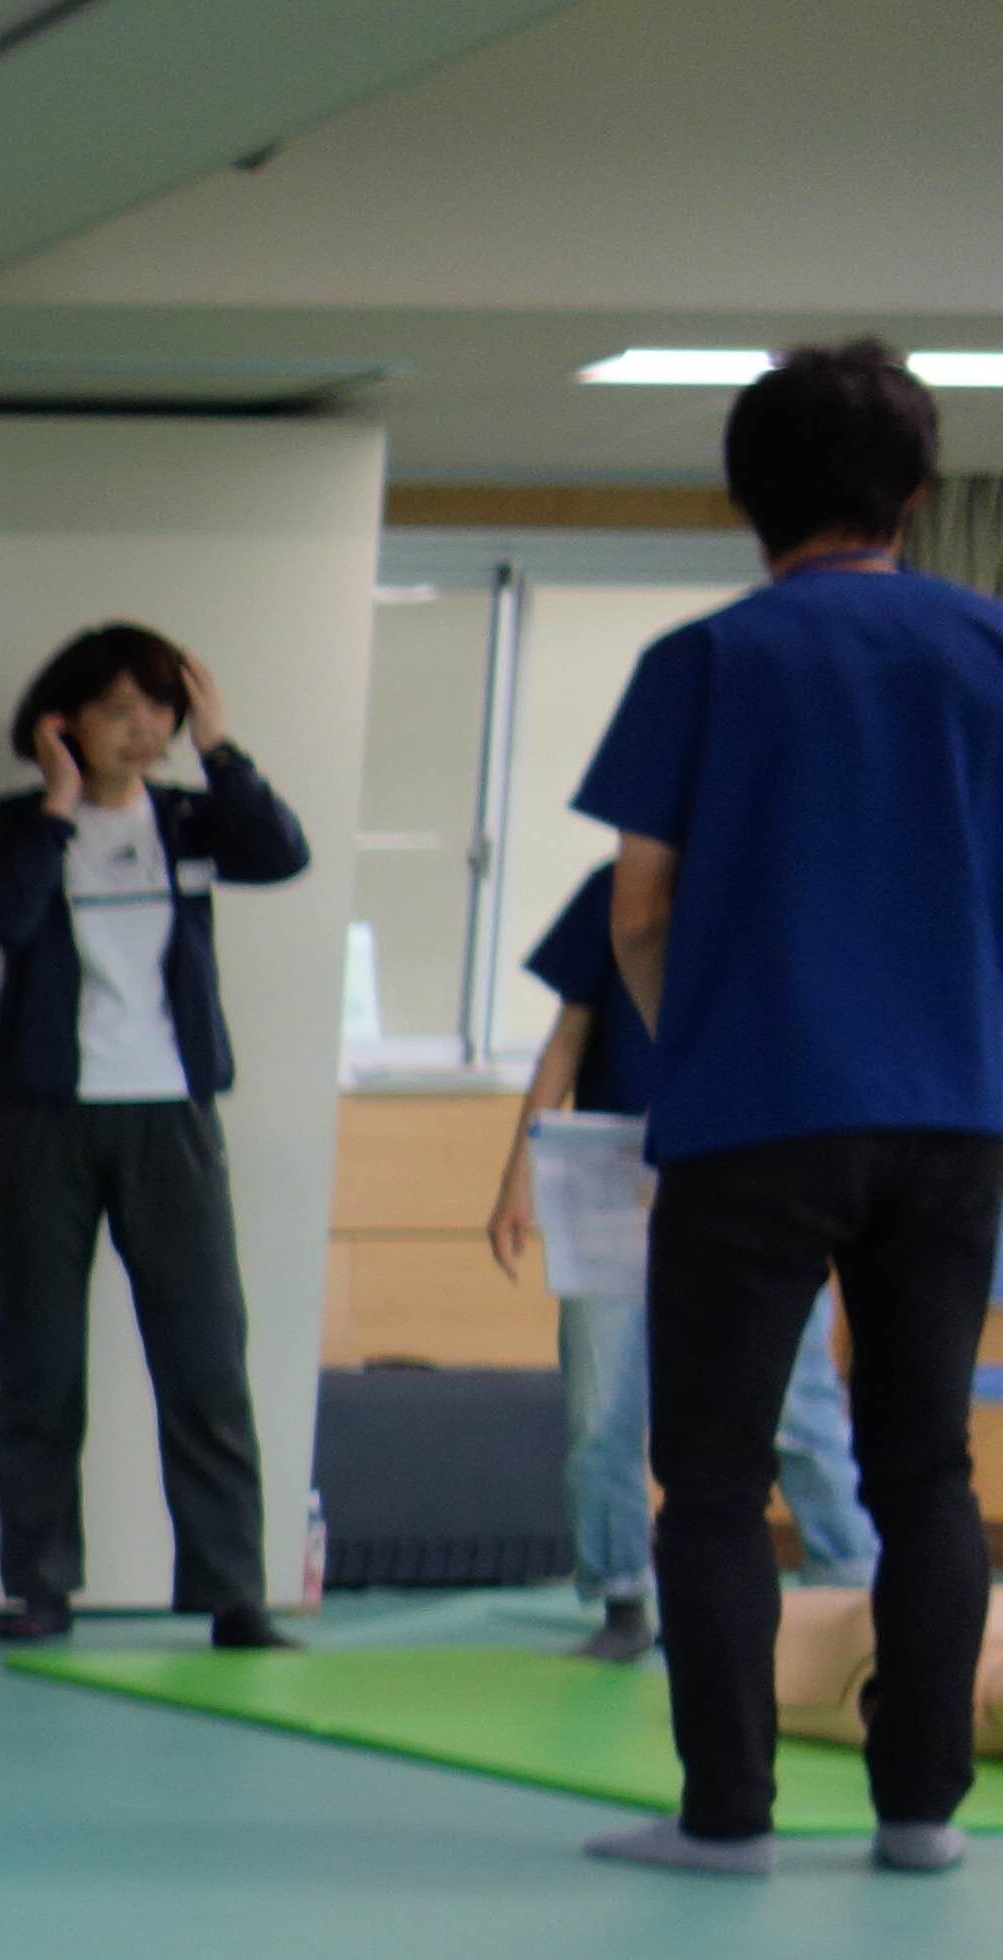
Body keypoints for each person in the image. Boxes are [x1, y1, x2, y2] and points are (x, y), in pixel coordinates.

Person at [572, 338, 1003, 1877]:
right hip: (955, 1116)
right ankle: (919, 1816)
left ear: (743, 495)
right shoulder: (989, 645)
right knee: (927, 1470)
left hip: (757, 1111)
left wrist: (712, 1038)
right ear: (914, 491)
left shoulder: (708, 660)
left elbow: (638, 910)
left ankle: (729, 1816)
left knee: (713, 1472)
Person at [0, 622, 314, 1648]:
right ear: (64, 721)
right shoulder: (24, 823)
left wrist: (222, 748)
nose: (144, 729)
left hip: (172, 1116)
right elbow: (5, 920)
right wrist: (61, 807)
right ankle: (41, 1585)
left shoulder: (196, 819)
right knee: (39, 1362)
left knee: (206, 1355)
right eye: (120, 709)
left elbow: (284, 851)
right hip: (44, 1119)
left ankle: (231, 1589)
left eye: (159, 709)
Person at [487, 860, 875, 1661]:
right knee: (603, 1410)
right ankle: (622, 1594)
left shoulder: (789, 889)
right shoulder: (617, 889)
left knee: (798, 1408)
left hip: (759, 1172)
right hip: (614, 1174)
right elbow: (570, 1033)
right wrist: (517, 1172)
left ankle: (852, 1584)